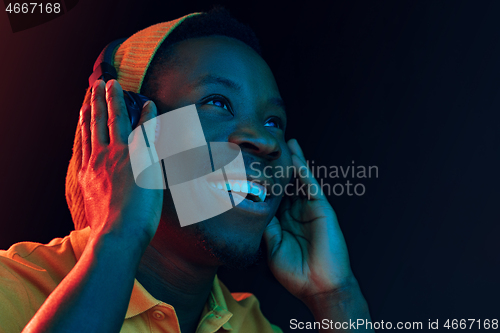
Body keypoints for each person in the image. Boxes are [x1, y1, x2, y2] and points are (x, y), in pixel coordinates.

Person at [0, 8, 373, 333]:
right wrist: (118, 238)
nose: (265, 140)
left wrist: (335, 297)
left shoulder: (253, 326)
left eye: (274, 122)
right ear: (127, 128)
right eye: (217, 102)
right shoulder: (11, 289)